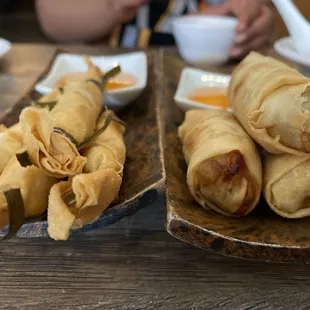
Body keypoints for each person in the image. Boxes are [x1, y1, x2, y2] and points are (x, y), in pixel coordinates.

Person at [36, 0, 275, 59]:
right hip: (109, 73)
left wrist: (255, 23)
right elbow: (52, 19)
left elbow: (258, 10)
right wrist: (112, 6)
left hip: (215, 81)